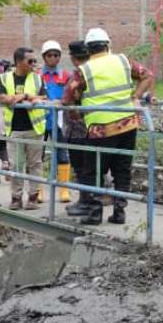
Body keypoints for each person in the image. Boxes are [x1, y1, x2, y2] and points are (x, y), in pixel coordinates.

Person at [67, 27, 154, 226]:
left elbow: (70, 97)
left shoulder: (84, 70)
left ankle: (95, 213)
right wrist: (135, 97)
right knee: (122, 169)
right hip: (127, 125)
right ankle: (119, 212)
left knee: (94, 171)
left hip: (99, 129)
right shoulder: (124, 61)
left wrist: (77, 114)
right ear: (108, 44)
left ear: (88, 49)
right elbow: (147, 75)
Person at [0, 47, 47, 210]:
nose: (34, 64)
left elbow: (43, 97)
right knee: (16, 164)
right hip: (15, 129)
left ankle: (33, 197)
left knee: (35, 164)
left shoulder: (38, 79)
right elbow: (2, 97)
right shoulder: (5, 78)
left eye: (35, 60)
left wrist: (24, 96)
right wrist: (17, 97)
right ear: (19, 62)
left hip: (35, 128)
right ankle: (16, 198)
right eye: (30, 61)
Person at [39, 40, 72, 203]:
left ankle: (64, 190)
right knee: (38, 155)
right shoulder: (37, 75)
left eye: (56, 55)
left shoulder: (66, 75)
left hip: (59, 121)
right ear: (44, 57)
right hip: (40, 120)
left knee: (62, 154)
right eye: (49, 55)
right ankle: (38, 190)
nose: (53, 58)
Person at [62, 41, 91, 211]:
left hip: (79, 128)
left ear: (73, 58)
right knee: (84, 167)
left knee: (82, 168)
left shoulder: (80, 75)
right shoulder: (91, 73)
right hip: (83, 128)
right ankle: (85, 200)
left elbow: (67, 99)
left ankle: (86, 202)